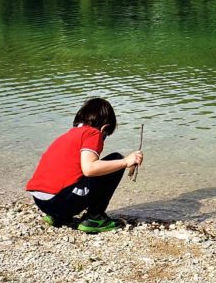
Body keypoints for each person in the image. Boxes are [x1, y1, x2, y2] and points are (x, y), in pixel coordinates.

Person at [25, 97, 143, 234]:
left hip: (42, 202)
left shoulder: (67, 136)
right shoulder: (93, 133)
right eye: (106, 134)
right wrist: (126, 161)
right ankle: (95, 217)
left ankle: (58, 217)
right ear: (105, 127)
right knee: (116, 158)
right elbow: (89, 169)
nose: (103, 138)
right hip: (59, 202)